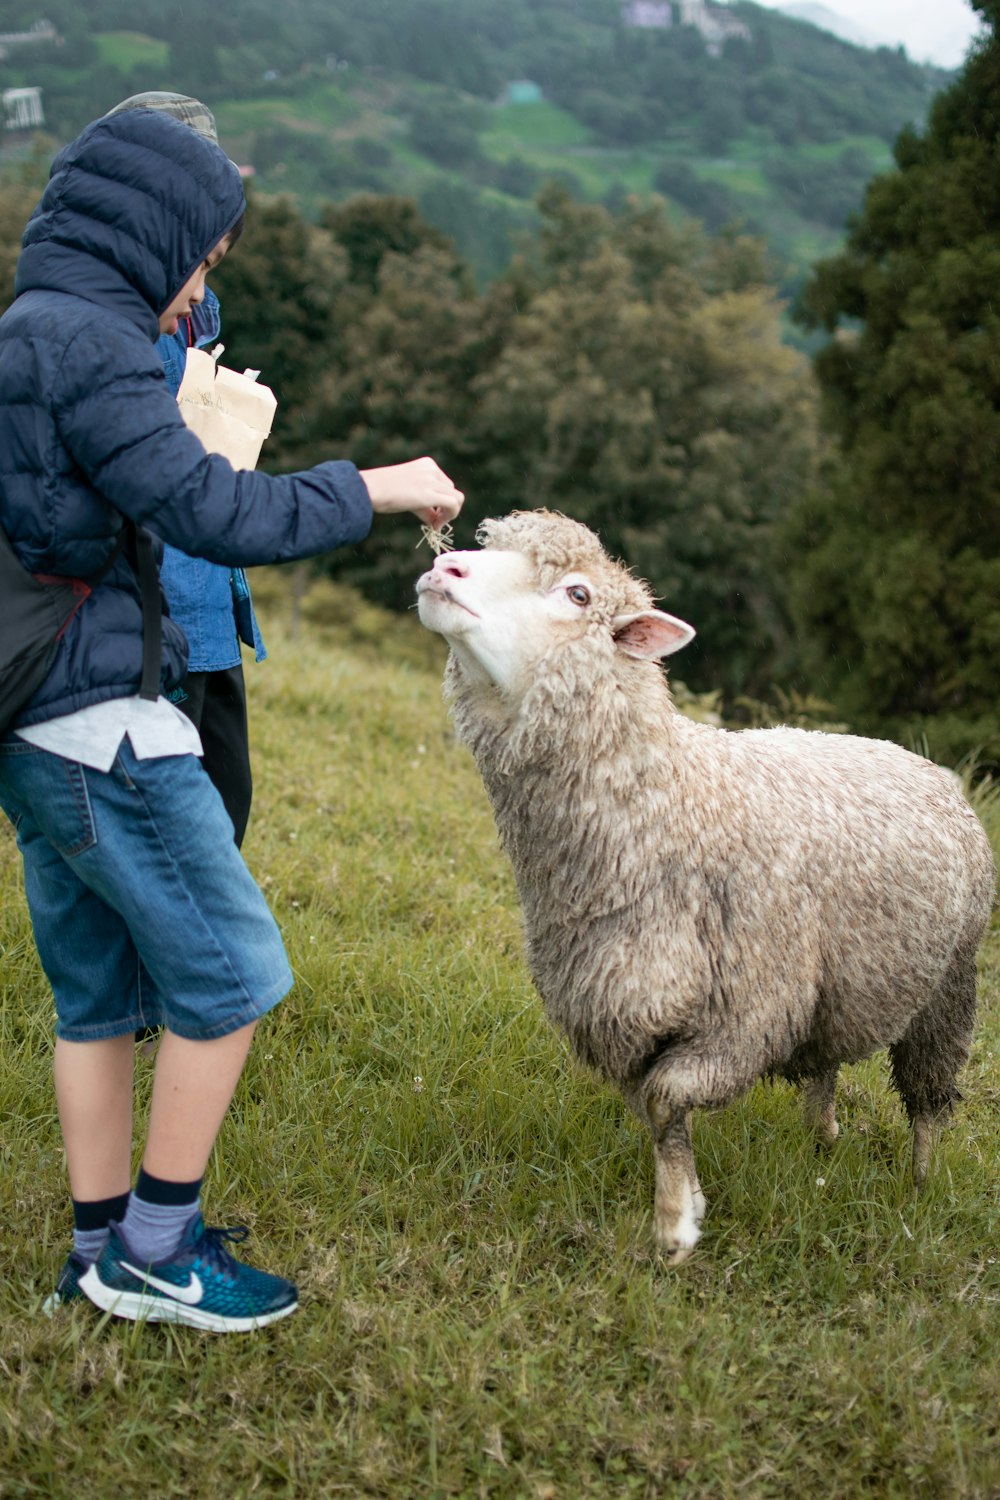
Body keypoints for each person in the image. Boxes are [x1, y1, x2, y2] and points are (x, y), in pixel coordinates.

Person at [0, 104, 463, 1332]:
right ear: (149, 235)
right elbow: (221, 514)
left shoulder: (31, 330)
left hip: (34, 720)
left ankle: (97, 1251)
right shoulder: (97, 348)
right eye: (200, 257)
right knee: (236, 975)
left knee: (95, 997)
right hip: (104, 720)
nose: (198, 285)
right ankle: (157, 1249)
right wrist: (378, 487)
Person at [108, 92, 262, 847]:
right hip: (153, 611)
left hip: (207, 598)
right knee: (172, 825)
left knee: (225, 803)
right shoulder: (110, 315)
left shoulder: (200, 308)